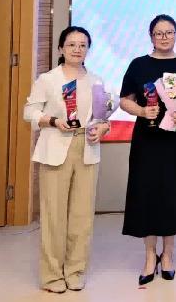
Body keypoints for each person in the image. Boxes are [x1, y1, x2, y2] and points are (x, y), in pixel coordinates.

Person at [23, 26, 110, 293]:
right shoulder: (48, 79)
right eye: (71, 44)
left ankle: (75, 270)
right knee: (54, 215)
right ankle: (51, 276)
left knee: (82, 216)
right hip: (55, 147)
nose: (77, 49)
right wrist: (52, 120)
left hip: (87, 147)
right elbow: (29, 112)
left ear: (88, 49)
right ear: (61, 48)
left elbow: (102, 116)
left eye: (83, 45)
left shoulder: (96, 80)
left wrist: (103, 127)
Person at [119, 14, 176, 285]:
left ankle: (168, 255)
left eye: (169, 32)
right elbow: (124, 100)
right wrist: (142, 111)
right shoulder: (139, 64)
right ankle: (149, 256)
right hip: (147, 139)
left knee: (172, 194)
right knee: (147, 194)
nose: (164, 37)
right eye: (159, 33)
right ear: (151, 36)